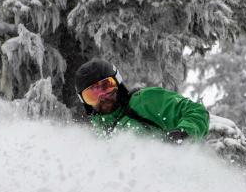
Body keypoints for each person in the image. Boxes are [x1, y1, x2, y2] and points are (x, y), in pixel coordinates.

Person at [74, 58, 209, 142]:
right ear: (84, 101)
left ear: (118, 82)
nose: (102, 96)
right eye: (92, 95)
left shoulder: (144, 101)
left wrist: (183, 133)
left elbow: (196, 111)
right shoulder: (96, 136)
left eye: (106, 86)